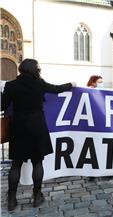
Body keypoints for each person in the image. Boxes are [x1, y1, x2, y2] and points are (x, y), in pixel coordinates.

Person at [1, 59, 75, 211]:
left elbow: (2, 105)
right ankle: (36, 197)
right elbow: (57, 89)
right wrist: (71, 85)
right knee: (37, 162)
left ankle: (12, 200)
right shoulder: (39, 84)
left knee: (16, 164)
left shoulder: (11, 85)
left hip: (18, 127)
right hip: (37, 127)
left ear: (21, 69)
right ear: (35, 69)